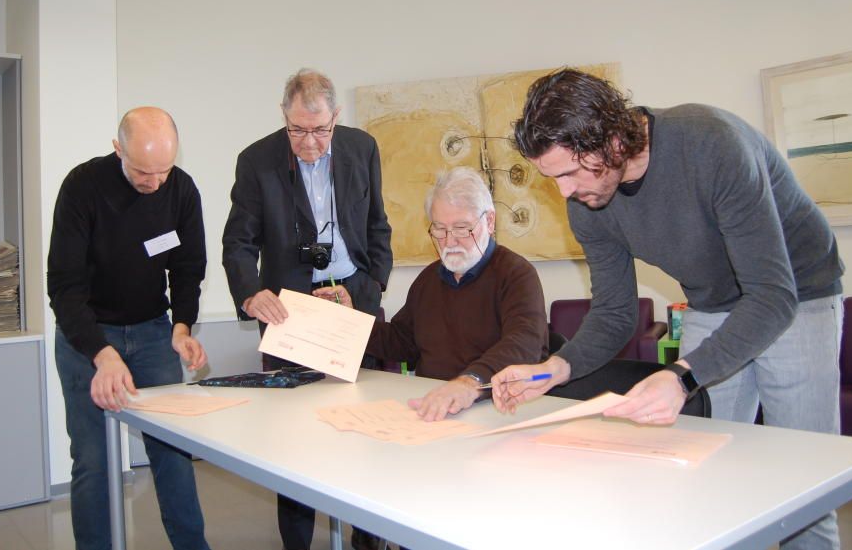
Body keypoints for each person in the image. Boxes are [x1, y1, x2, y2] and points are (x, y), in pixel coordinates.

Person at [491, 68, 844, 550]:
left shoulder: (712, 145)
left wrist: (681, 374)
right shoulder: (587, 204)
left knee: (807, 488)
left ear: (614, 142)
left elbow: (771, 295)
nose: (565, 193)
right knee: (700, 473)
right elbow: (615, 312)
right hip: (714, 301)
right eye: (552, 178)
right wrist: (554, 369)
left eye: (569, 172)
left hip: (797, 293)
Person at [222, 68, 392, 550]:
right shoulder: (257, 160)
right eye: (298, 130)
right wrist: (252, 292)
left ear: (336, 117)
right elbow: (238, 242)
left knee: (365, 430)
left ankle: (368, 540)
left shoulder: (362, 148)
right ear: (284, 117)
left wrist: (370, 288)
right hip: (290, 312)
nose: (310, 142)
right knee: (292, 438)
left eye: (320, 130)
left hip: (351, 301)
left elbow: (378, 225)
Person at [48, 106, 211, 550]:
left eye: (164, 170)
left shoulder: (180, 189)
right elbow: (64, 286)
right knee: (93, 461)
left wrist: (181, 328)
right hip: (88, 337)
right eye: (143, 170)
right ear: (117, 148)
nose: (154, 183)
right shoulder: (82, 187)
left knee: (173, 450)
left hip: (153, 332)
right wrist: (102, 354)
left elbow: (187, 266)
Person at [315, 166, 548, 423]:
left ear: (489, 221)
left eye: (462, 229)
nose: (449, 242)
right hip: (434, 407)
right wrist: (351, 320)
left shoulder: (515, 274)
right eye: (439, 229)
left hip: (496, 409)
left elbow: (524, 345)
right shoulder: (430, 279)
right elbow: (404, 343)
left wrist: (469, 383)